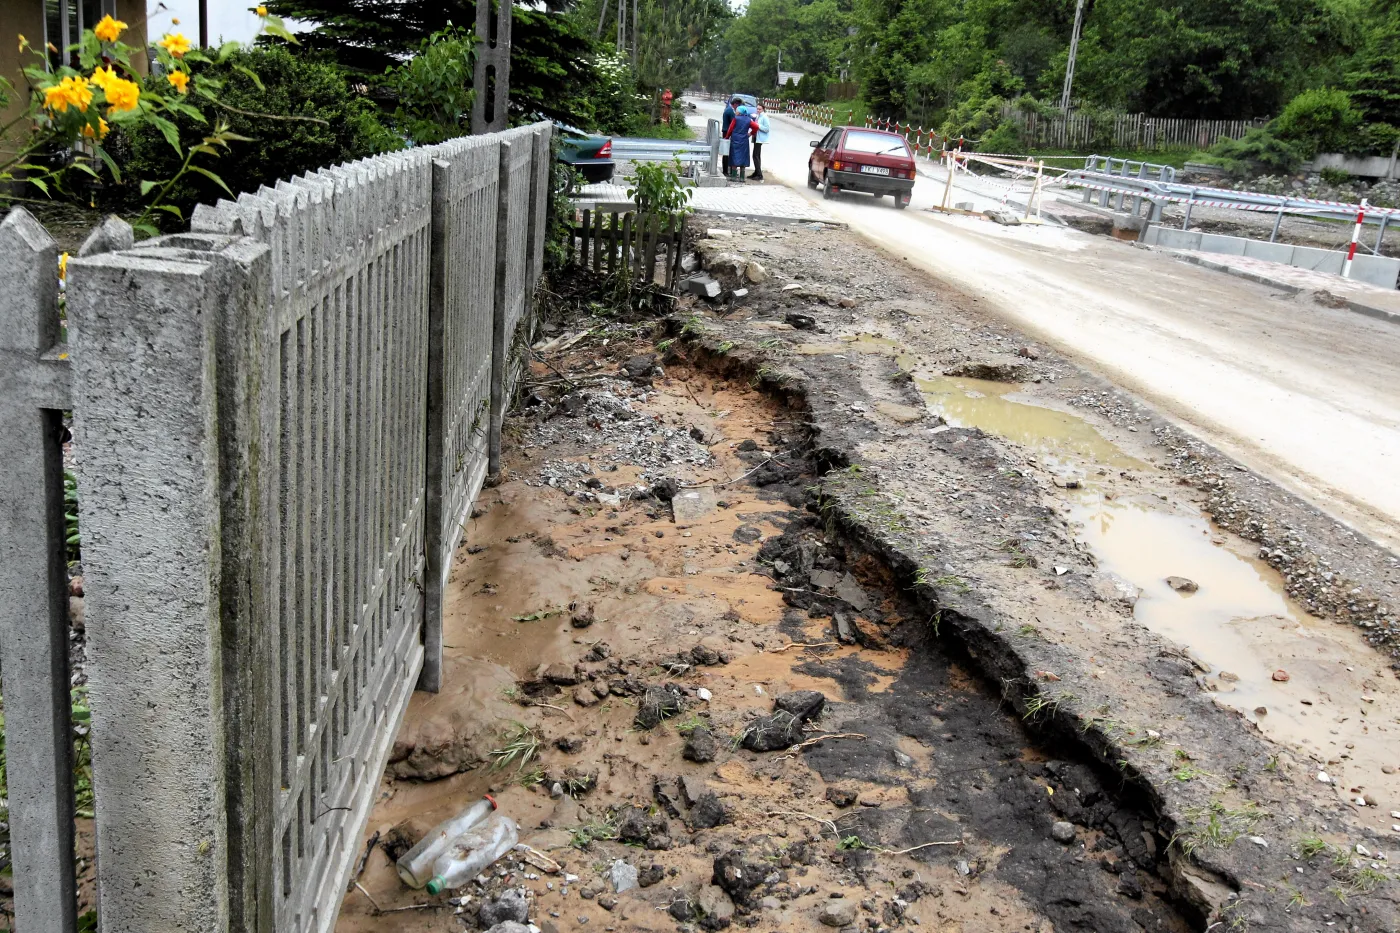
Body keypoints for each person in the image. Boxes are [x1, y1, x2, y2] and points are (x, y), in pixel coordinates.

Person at [725, 103, 758, 181]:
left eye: (736, 110)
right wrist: (750, 134)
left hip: (735, 140)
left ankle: (733, 177)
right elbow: (756, 127)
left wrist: (727, 137)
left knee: (734, 157)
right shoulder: (748, 120)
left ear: (740, 112)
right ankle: (742, 178)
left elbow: (730, 129)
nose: (735, 111)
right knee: (743, 157)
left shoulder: (736, 119)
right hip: (744, 140)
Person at [751, 105, 771, 182]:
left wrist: (757, 125)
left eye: (760, 109)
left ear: (763, 109)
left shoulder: (764, 117)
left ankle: (759, 174)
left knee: (755, 156)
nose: (758, 110)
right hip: (756, 137)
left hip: (760, 138)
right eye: (757, 109)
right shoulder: (758, 116)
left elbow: (766, 129)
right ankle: (756, 172)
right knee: (756, 155)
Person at [721, 97, 737, 177]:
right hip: (727, 131)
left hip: (725, 130)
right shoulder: (730, 111)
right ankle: (725, 171)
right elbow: (733, 122)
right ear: (735, 104)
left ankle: (726, 169)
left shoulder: (728, 109)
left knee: (726, 151)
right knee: (726, 151)